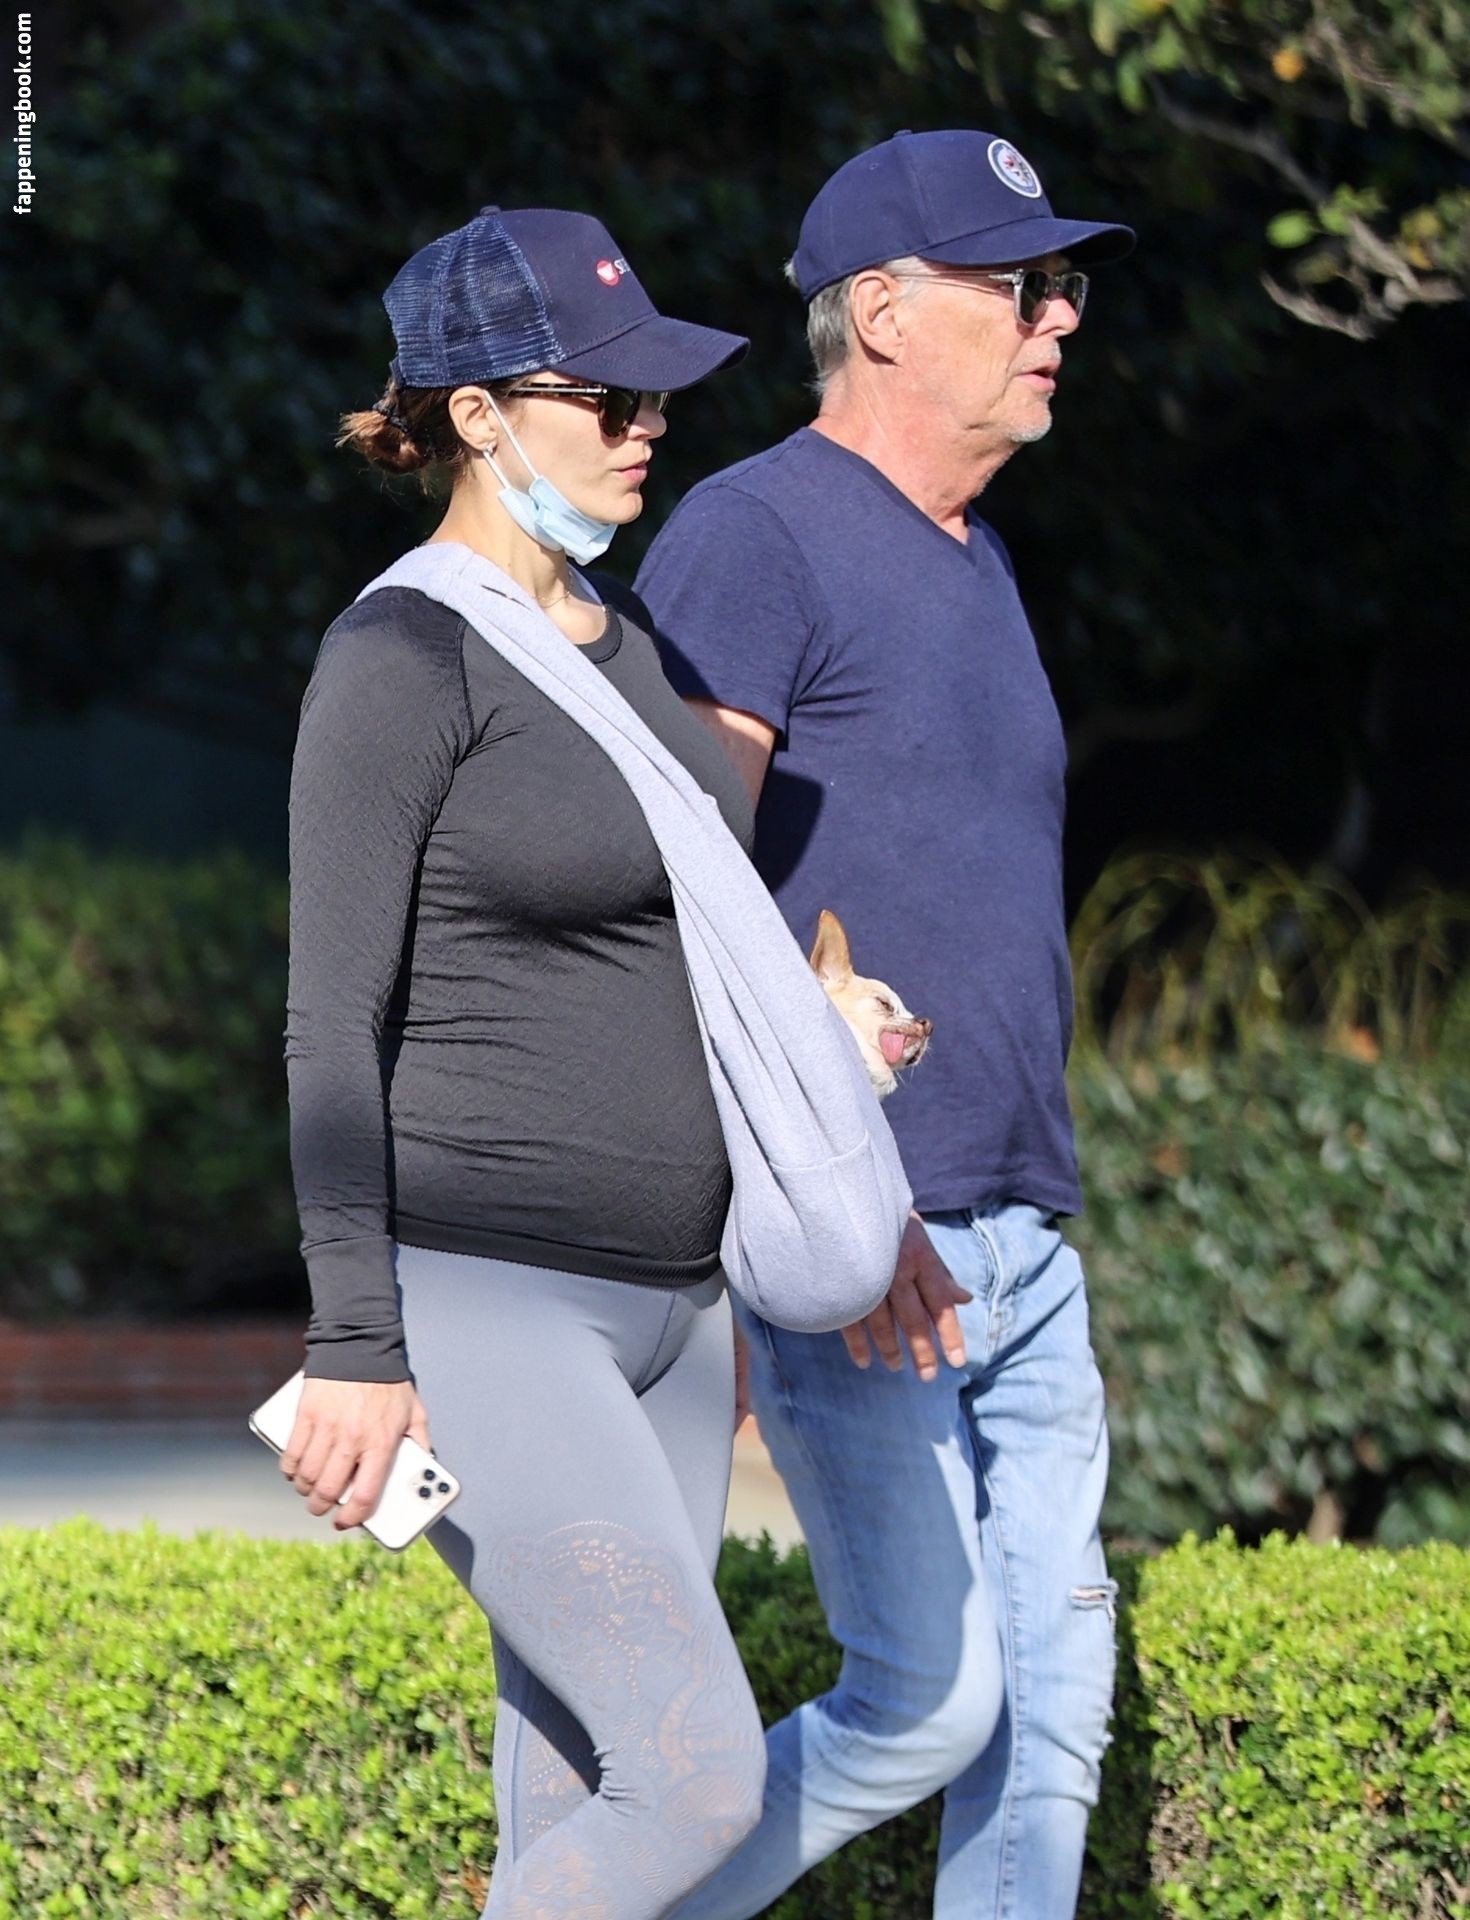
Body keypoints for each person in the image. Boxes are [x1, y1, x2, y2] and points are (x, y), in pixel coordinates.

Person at [634, 130, 1136, 1919]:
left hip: (1023, 1240)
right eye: (1021, 286)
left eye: (1061, 286)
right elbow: (667, 888)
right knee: (922, 1707)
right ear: (883, 312)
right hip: (874, 1251)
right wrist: (835, 1213)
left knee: (1050, 1723)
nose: (1060, 319)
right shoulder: (751, 535)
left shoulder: (978, 559)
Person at [278, 203, 769, 1918]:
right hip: (492, 1299)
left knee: (579, 1787)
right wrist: (355, 1341)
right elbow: (328, 1018)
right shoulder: (398, 657)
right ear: (478, 414)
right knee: (699, 1780)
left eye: (659, 399)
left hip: (676, 1308)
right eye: (609, 399)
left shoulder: (626, 646)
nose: (648, 428)